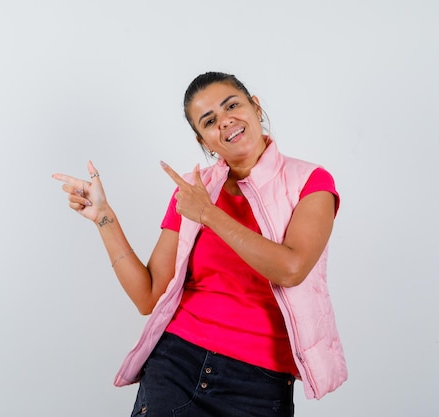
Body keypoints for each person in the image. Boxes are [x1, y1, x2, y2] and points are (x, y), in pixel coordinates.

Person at [52, 72, 347, 416]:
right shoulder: (192, 192)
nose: (226, 122)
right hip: (177, 366)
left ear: (255, 107)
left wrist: (208, 212)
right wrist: (105, 218)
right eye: (210, 121)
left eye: (232, 106)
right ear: (203, 140)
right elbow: (148, 296)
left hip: (260, 385)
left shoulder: (309, 181)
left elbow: (291, 268)